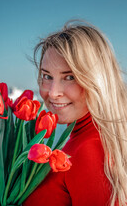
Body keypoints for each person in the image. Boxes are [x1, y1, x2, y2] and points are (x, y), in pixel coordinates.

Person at [23, 20, 127, 206]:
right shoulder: (90, 138)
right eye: (47, 76)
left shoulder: (89, 148)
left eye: (69, 77)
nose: (53, 92)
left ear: (97, 80)